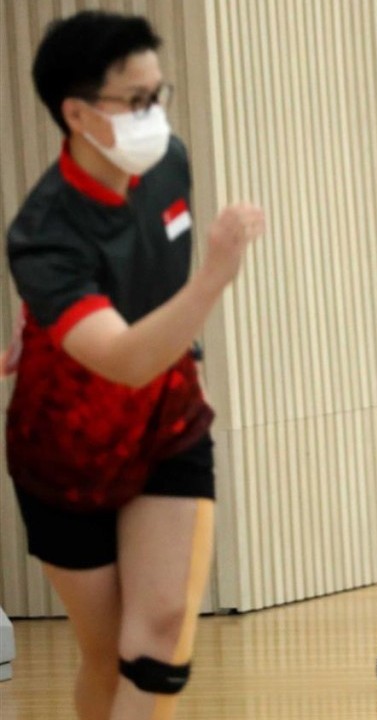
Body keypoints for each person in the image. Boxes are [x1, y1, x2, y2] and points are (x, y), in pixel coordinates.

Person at [5, 11, 263, 720]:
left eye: (161, 94)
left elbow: (146, 300)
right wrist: (215, 274)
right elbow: (120, 360)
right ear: (79, 113)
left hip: (169, 421)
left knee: (155, 647)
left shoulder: (167, 162)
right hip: (66, 449)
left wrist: (192, 353)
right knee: (104, 652)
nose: (156, 116)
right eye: (138, 100)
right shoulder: (43, 232)